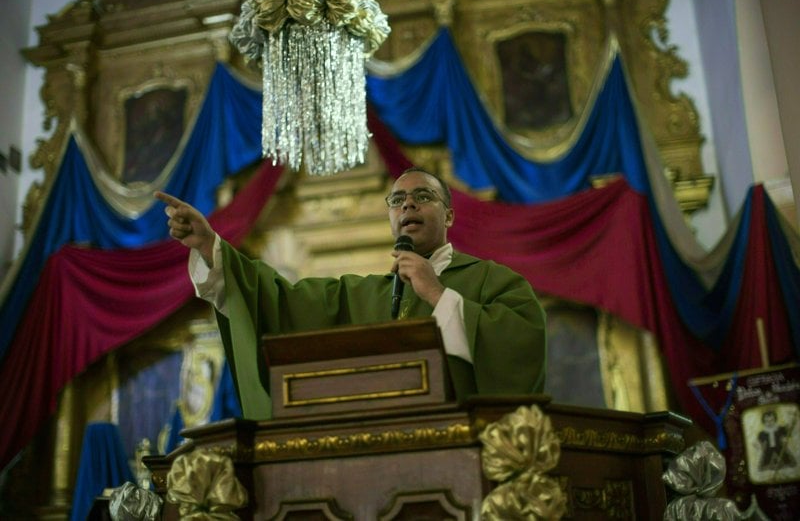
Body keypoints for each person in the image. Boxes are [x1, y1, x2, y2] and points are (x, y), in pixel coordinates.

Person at [155, 167, 546, 418]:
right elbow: (281, 303)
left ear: (449, 215)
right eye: (397, 200)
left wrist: (438, 294)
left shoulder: (492, 280)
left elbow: (522, 343)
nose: (408, 204)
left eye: (423, 196)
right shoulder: (364, 294)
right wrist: (210, 246)